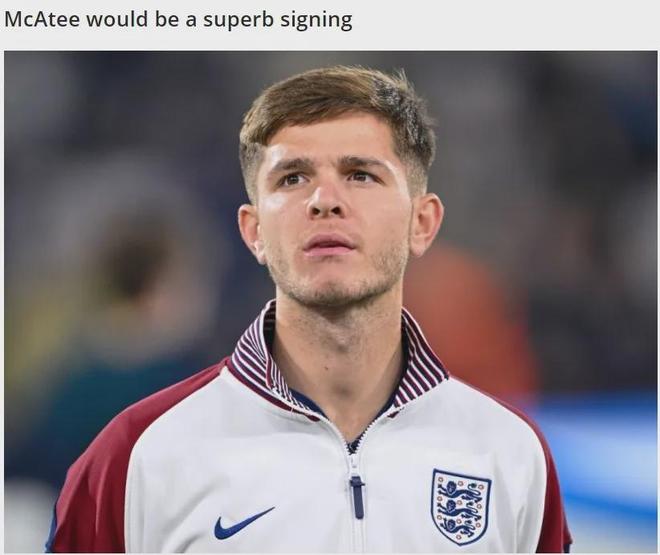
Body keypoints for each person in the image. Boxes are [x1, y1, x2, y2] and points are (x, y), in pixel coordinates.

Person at [46, 66, 571, 553]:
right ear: (254, 231)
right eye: (292, 178)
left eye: (360, 174)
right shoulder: (136, 454)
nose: (325, 200)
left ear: (422, 223)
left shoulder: (510, 454)